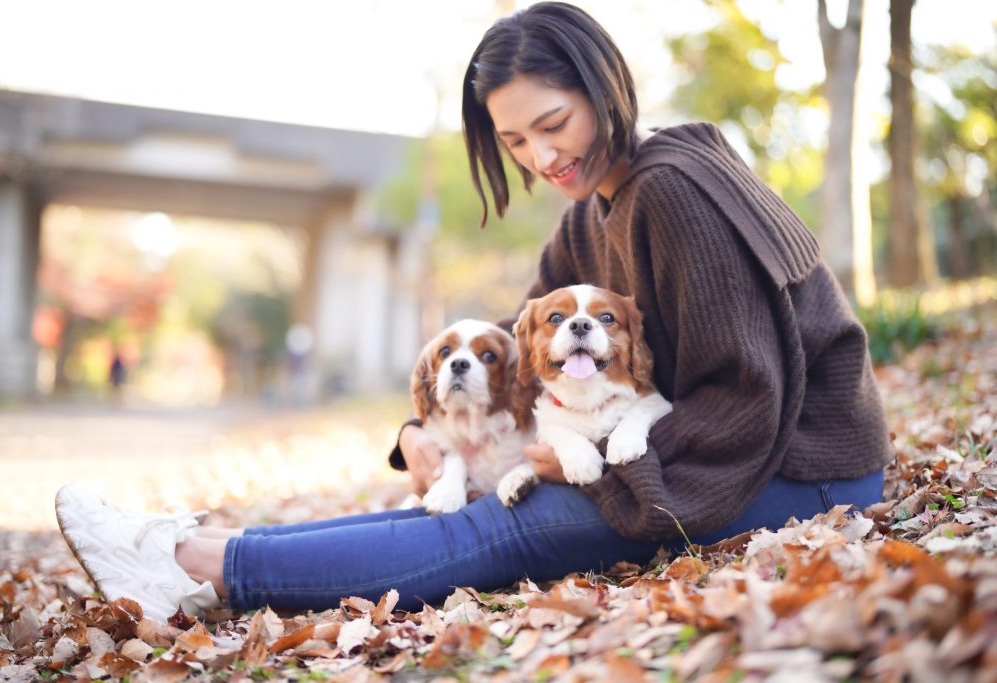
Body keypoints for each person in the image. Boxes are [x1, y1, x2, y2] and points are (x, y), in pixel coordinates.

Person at [55, 1, 891, 621]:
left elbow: (748, 397)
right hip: (713, 450)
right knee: (451, 497)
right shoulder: (586, 217)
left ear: (605, 87)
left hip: (802, 467)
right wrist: (416, 429)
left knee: (511, 522)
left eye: (553, 124)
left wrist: (604, 465)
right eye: (516, 142)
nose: (543, 156)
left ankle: (198, 568)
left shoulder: (670, 192)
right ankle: (190, 552)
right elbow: (504, 345)